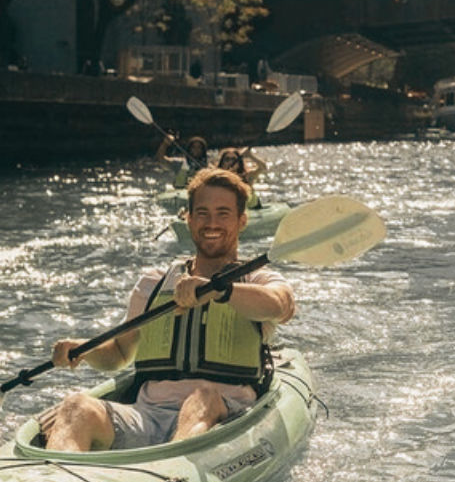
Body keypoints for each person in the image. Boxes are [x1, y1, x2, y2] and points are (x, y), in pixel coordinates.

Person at [41, 168, 295, 452]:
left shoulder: (255, 279)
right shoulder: (154, 283)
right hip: (146, 416)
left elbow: (281, 306)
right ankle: (55, 478)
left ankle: (175, 473)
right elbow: (120, 355)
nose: (212, 222)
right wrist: (84, 350)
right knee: (75, 407)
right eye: (202, 213)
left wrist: (220, 290)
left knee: (203, 398)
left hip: (223, 415)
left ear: (242, 220)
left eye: (223, 213)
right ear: (188, 218)